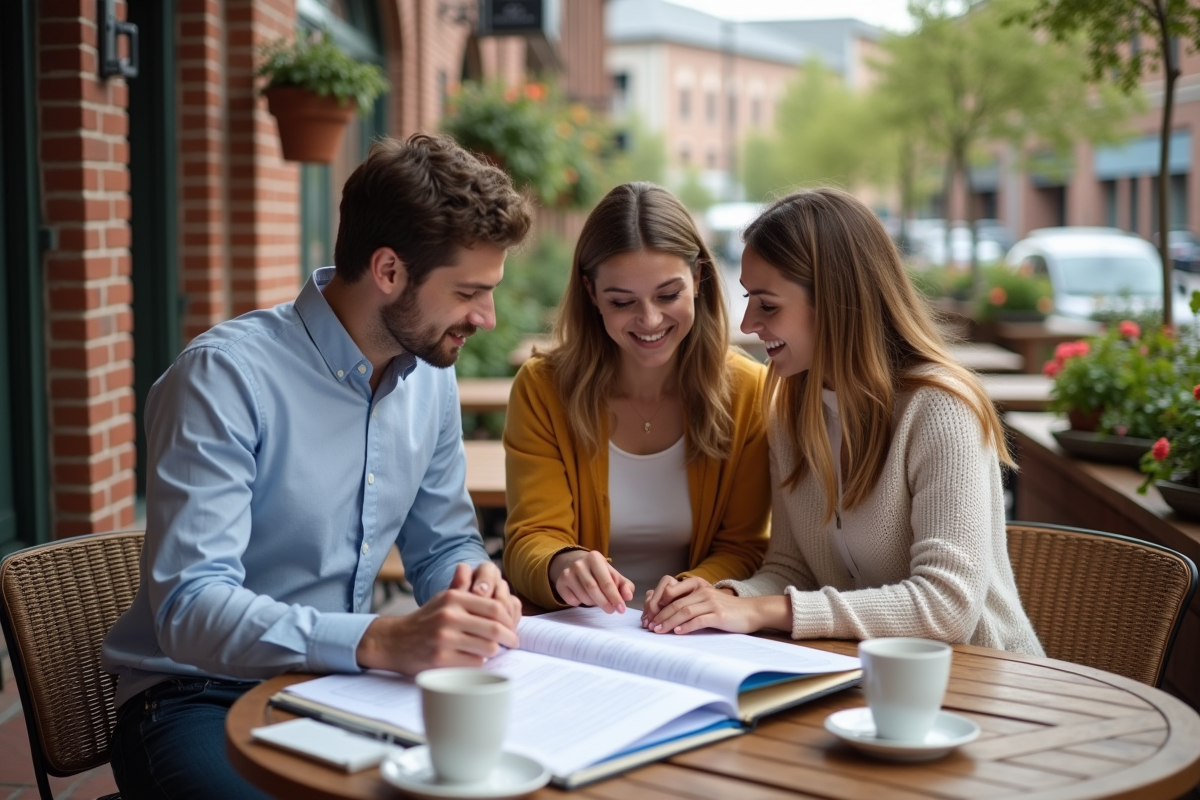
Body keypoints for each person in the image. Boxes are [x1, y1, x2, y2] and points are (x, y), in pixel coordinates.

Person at [101, 133, 533, 800]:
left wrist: (470, 588)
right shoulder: (223, 378)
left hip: (339, 691)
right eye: (470, 292)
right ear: (389, 271)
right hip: (194, 698)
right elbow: (190, 609)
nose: (487, 316)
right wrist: (382, 641)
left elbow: (442, 541)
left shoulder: (430, 379)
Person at [643, 187, 1043, 657]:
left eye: (768, 305)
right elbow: (792, 569)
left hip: (985, 682)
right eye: (749, 298)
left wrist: (764, 612)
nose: (748, 323)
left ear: (836, 302)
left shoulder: (940, 409)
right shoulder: (792, 411)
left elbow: (947, 607)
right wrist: (722, 599)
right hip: (863, 676)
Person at [503, 182, 771, 614]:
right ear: (592, 294)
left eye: (668, 295)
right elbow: (529, 540)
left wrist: (690, 593)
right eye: (622, 301)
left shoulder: (748, 391)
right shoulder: (543, 389)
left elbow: (745, 547)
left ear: (699, 278)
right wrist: (561, 564)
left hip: (696, 633)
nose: (649, 320)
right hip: (583, 637)